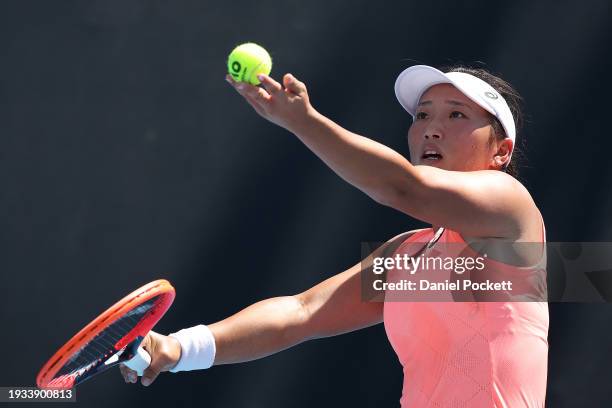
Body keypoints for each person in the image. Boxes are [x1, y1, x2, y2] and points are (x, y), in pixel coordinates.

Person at [120, 64, 548, 407]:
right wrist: (177, 348)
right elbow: (302, 313)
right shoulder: (408, 253)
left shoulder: (510, 210)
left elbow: (401, 187)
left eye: (456, 114)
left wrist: (304, 123)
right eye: (422, 115)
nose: (431, 128)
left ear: (501, 151)